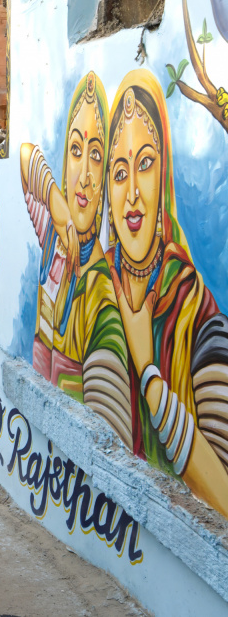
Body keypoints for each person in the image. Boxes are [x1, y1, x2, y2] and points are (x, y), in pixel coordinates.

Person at [103, 70, 228, 517]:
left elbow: (223, 495)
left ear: (165, 175)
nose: (133, 193)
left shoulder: (196, 310)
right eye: (119, 172)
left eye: (146, 164)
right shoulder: (98, 286)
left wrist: (148, 372)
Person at [19, 71, 133, 447]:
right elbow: (25, 157)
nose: (84, 176)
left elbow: (111, 430)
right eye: (76, 150)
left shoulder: (101, 295)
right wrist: (56, 203)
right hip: (33, 448)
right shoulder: (52, 236)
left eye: (97, 156)